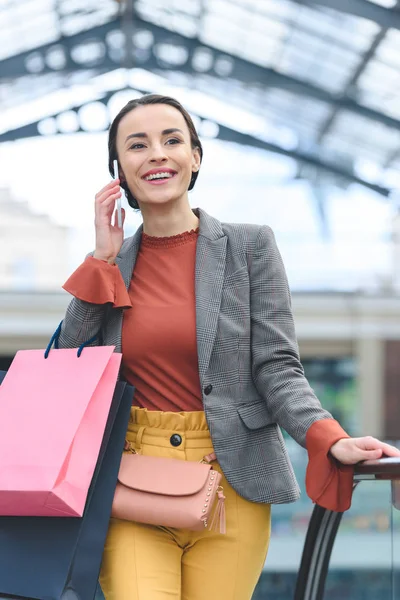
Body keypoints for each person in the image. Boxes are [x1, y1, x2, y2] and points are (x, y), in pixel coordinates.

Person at [59, 94, 400, 600]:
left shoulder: (250, 246)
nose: (156, 153)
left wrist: (327, 436)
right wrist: (101, 259)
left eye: (172, 140)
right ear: (118, 172)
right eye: (138, 145)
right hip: (132, 484)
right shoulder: (112, 266)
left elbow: (277, 366)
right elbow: (70, 362)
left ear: (195, 157)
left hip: (233, 483)